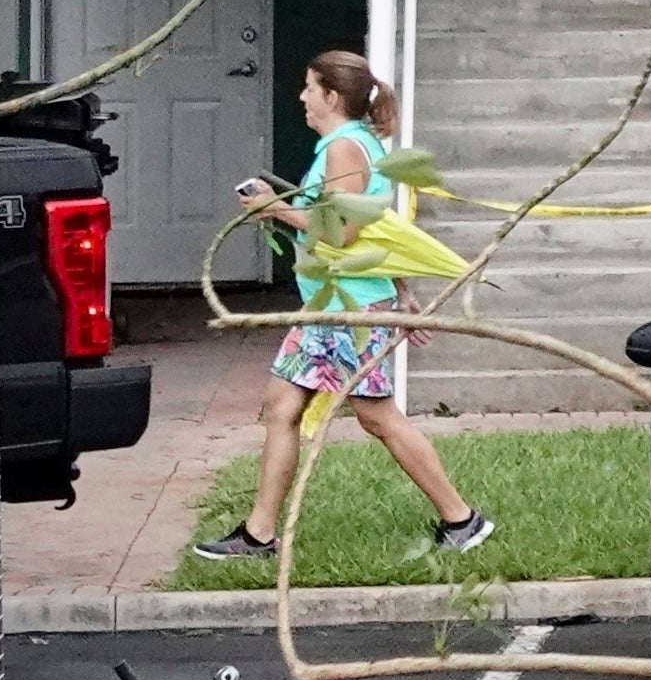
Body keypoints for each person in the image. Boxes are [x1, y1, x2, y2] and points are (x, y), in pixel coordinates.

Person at [186, 50, 492, 563]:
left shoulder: (345, 148)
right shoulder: (353, 143)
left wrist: (276, 208)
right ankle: (259, 535)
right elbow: (376, 227)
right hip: (328, 306)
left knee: (378, 418)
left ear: (331, 95)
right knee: (281, 407)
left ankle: (462, 519)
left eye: (310, 88)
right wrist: (402, 289)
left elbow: (345, 231)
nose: (302, 97)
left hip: (349, 310)